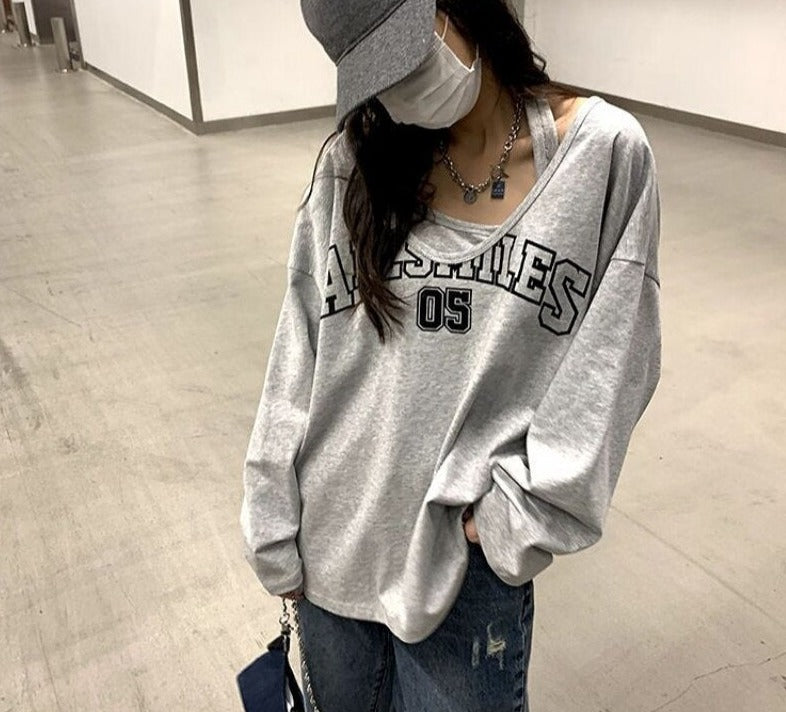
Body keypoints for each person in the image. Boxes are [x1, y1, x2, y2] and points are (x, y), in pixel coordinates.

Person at [240, 0, 662, 709]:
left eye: (404, 51)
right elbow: (298, 351)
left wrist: (513, 520)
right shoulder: (354, 164)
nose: (397, 89)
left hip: (460, 575)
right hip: (328, 551)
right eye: (372, 72)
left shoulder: (602, 158)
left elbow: (613, 365)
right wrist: (271, 513)